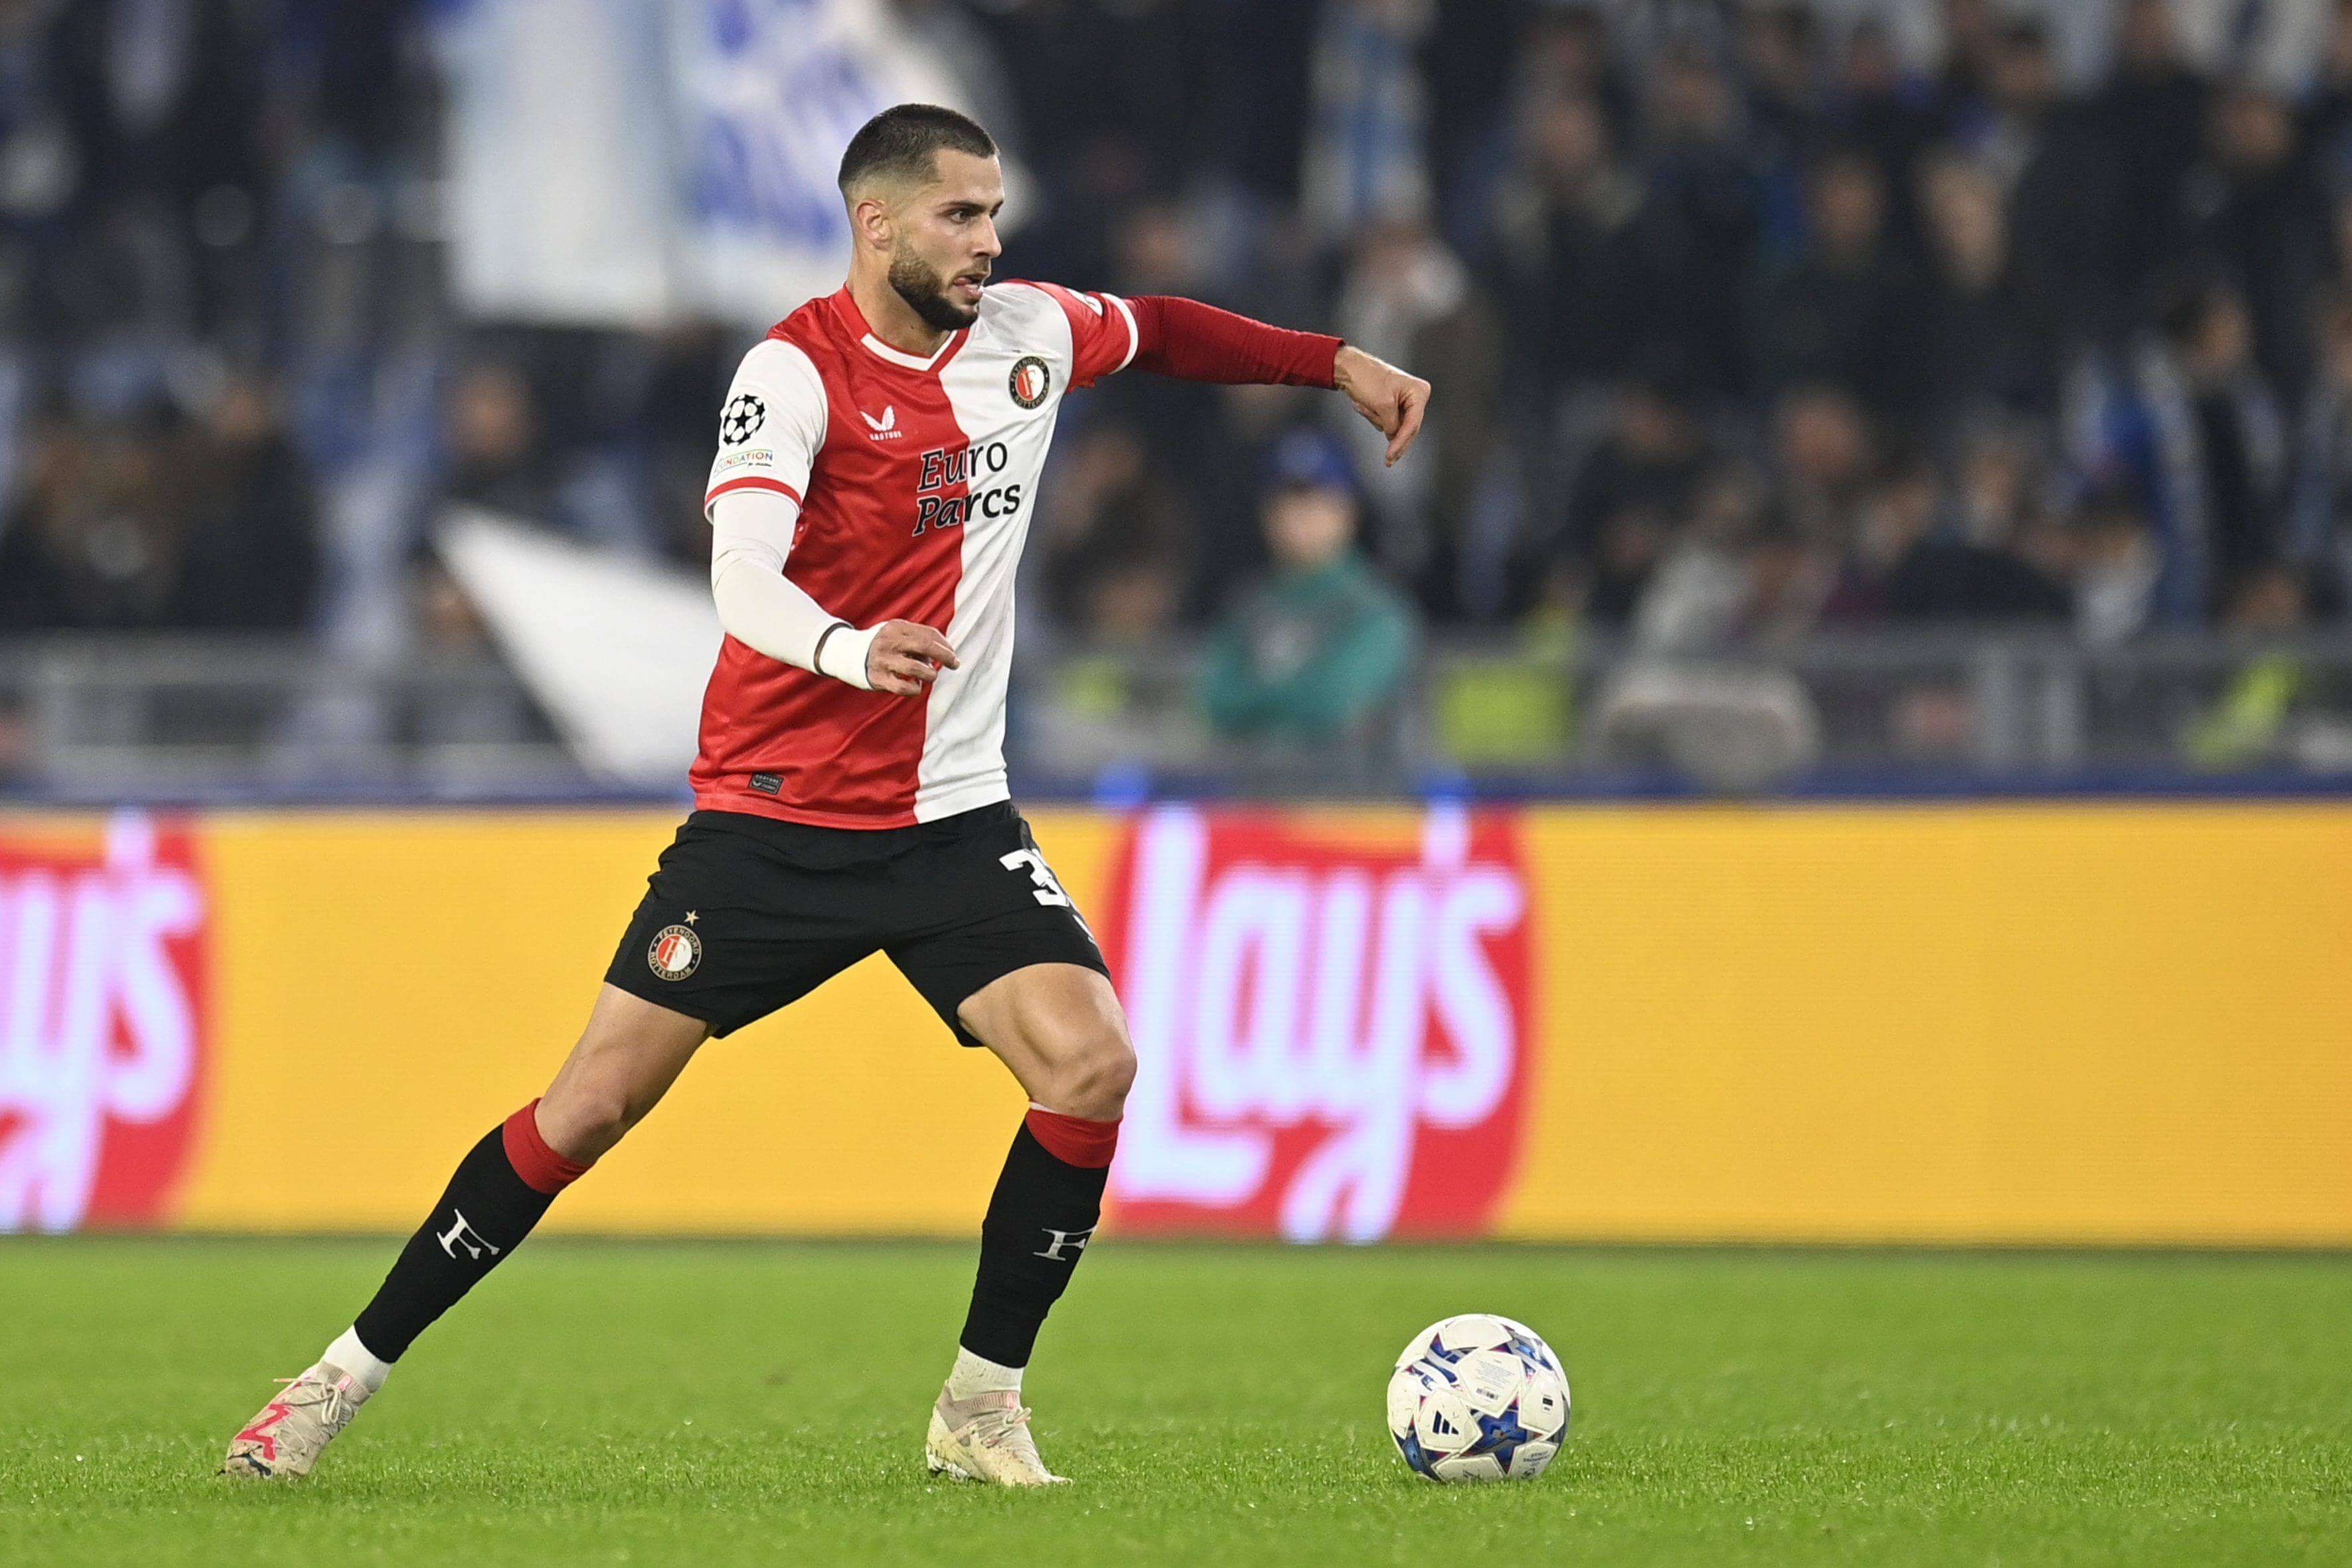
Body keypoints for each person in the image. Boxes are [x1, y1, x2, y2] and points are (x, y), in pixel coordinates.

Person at [219, 104, 1430, 1488]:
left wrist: (1333, 360)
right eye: (959, 215)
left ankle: (980, 1405)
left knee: (1091, 1062)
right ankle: (335, 1377)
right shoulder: (791, 372)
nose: (987, 240)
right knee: (588, 1109)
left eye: (993, 213)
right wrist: (853, 651)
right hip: (773, 821)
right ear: (877, 223)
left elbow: (1159, 327)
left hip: (949, 817)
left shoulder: (1029, 334)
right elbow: (740, 573)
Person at [1199, 430, 1418, 745]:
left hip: (1351, 776)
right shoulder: (1248, 602)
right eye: (1286, 501)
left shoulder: (1376, 609)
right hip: (1251, 776)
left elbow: (1331, 702)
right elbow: (1214, 700)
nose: (1299, 516)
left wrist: (1255, 701)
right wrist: (1296, 695)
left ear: (1348, 511)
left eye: (1317, 501)